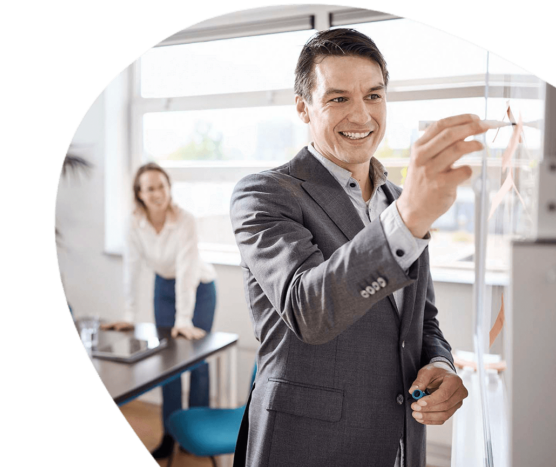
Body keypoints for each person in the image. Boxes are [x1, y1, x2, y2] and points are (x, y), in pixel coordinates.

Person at [230, 28, 478, 467]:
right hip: (306, 447)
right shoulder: (265, 194)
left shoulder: (399, 201)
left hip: (400, 444)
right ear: (303, 107)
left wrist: (443, 366)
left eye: (374, 96)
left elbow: (423, 323)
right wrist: (409, 219)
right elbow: (308, 309)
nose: (362, 116)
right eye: (338, 98)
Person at [101, 162, 217, 459]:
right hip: (163, 289)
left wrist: (183, 319)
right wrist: (128, 315)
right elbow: (131, 269)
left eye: (161, 186)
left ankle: (196, 436)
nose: (157, 193)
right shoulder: (133, 224)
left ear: (169, 188)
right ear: (139, 193)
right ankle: (169, 434)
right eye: (149, 188)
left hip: (199, 288)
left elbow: (187, 271)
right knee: (168, 365)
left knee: (196, 362)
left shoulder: (186, 221)